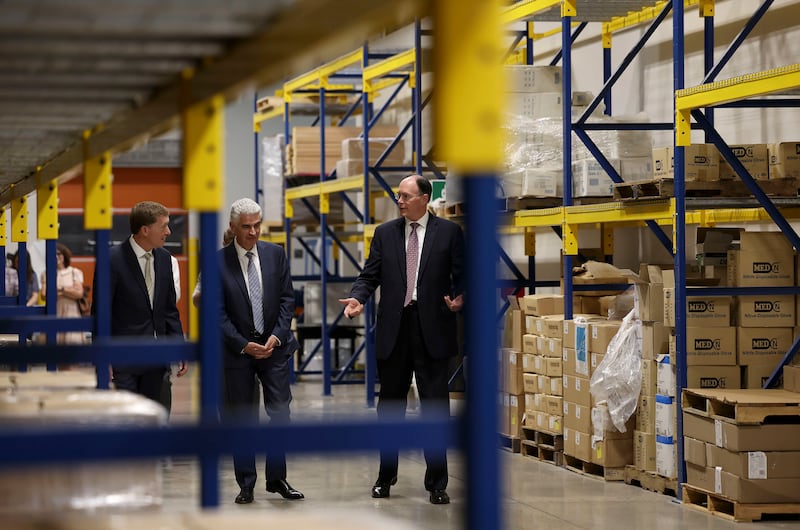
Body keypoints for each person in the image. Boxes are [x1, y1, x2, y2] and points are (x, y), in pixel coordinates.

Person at [338, 175, 464, 505]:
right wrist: (357, 298)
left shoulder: (449, 233)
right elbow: (370, 275)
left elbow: (463, 276)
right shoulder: (385, 234)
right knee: (390, 407)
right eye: (399, 196)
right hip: (395, 329)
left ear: (425, 198)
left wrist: (461, 298)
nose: (401, 201)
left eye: (407, 196)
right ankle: (385, 476)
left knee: (435, 407)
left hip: (432, 329)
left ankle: (437, 482)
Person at [219, 198, 303, 505]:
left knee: (281, 412)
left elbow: (286, 300)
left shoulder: (275, 254)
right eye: (246, 227)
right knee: (242, 417)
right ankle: (246, 482)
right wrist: (243, 344)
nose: (253, 232)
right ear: (233, 228)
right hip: (237, 352)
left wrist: (276, 338)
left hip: (274, 350)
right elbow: (217, 314)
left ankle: (277, 478)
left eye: (257, 225)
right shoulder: (217, 262)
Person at [105, 201, 188, 406]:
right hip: (124, 358)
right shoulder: (112, 260)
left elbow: (170, 310)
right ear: (145, 229)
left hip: (158, 358)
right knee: (130, 421)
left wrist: (179, 346)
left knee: (158, 418)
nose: (168, 232)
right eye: (163, 226)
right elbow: (102, 311)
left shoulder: (165, 259)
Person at [40, 243, 86, 345]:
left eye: (59, 254)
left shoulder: (75, 272)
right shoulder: (46, 273)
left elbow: (79, 293)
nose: (56, 257)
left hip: (71, 313)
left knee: (72, 347)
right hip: (53, 312)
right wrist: (69, 291)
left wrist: (60, 289)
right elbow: (44, 295)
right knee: (51, 348)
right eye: (53, 254)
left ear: (64, 255)